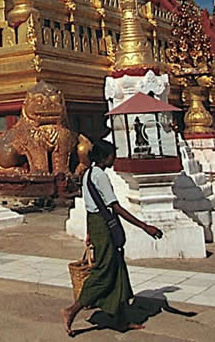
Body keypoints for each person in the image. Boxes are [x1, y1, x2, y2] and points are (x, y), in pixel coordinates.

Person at [62, 141, 163, 336]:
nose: (114, 159)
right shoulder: (100, 176)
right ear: (106, 157)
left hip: (96, 222)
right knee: (105, 270)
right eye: (112, 156)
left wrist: (89, 231)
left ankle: (120, 320)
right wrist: (144, 226)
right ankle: (72, 310)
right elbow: (114, 206)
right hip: (103, 224)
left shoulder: (88, 174)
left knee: (117, 269)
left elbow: (90, 205)